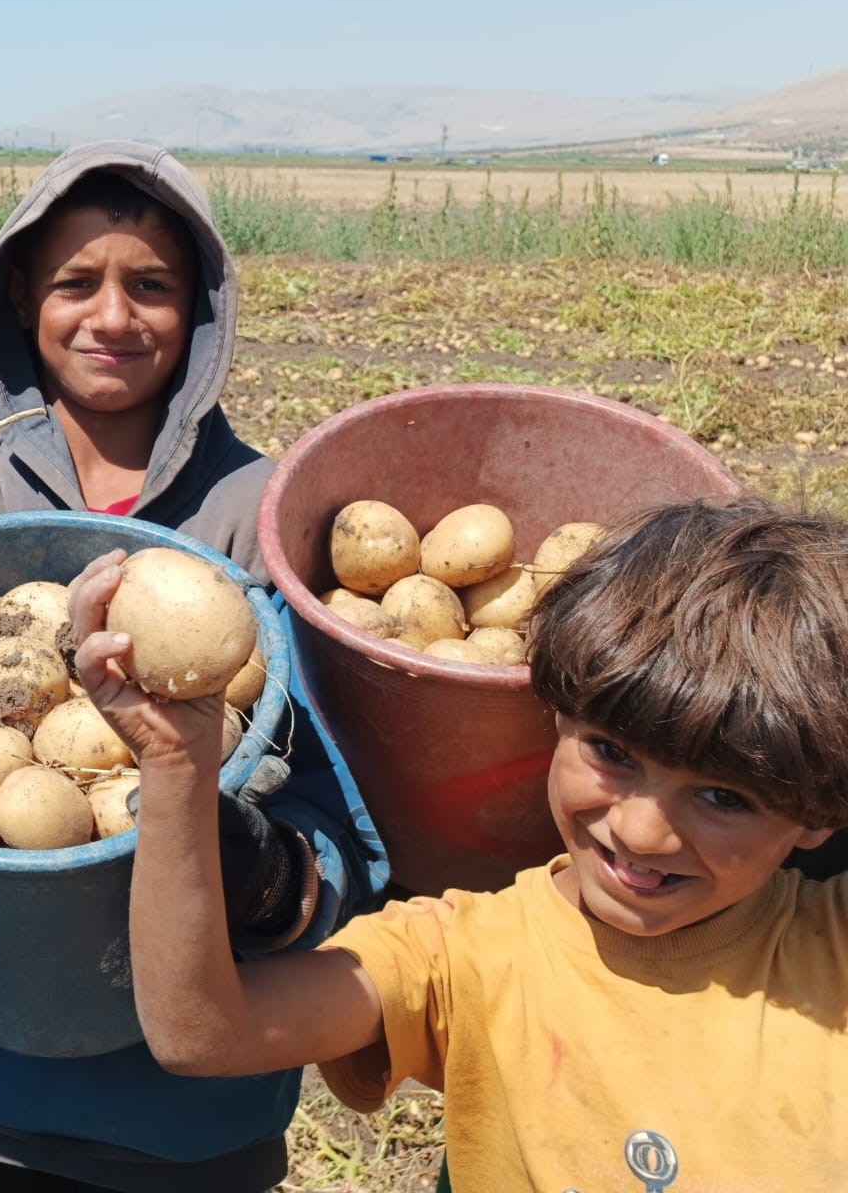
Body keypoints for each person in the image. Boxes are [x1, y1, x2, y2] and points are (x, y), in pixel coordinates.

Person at [0, 143, 387, 1192]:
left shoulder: (258, 521)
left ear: (197, 310)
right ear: (20, 294)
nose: (110, 316)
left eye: (149, 286)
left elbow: (347, 845)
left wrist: (257, 866)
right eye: (74, 283)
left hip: (199, 1118)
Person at [69, 498, 848, 1185]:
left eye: (723, 797)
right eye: (612, 754)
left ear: (820, 813)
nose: (641, 830)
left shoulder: (830, 943)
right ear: (556, 714)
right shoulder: (464, 957)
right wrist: (176, 767)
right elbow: (204, 1032)